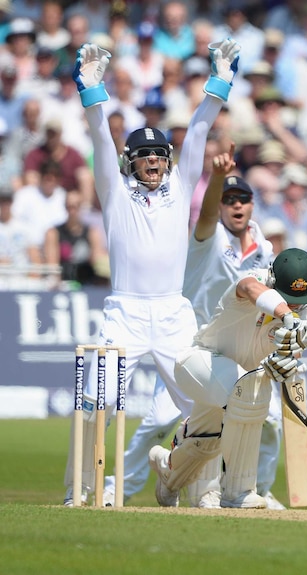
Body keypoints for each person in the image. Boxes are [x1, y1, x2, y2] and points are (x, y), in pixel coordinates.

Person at [62, 38, 241, 506]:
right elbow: (101, 138)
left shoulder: (181, 186)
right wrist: (92, 87)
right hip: (124, 311)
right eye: (146, 157)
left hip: (173, 312)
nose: (156, 162)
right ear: (131, 163)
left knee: (205, 404)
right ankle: (86, 490)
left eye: (161, 155)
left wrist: (220, 78)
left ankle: (200, 487)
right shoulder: (115, 192)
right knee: (95, 403)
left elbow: (200, 130)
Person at [148, 248, 307, 509]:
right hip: (200, 362)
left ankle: (168, 470)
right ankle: (237, 492)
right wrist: (286, 315)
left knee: (206, 442)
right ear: (273, 280)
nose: (295, 306)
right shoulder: (255, 281)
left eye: (300, 300)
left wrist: (283, 363)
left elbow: (285, 359)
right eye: (289, 298)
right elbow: (249, 288)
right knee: (250, 390)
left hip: (232, 385)